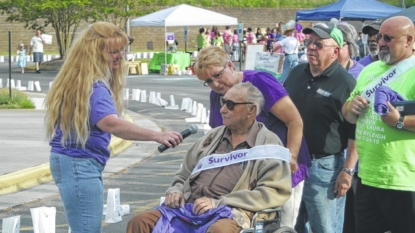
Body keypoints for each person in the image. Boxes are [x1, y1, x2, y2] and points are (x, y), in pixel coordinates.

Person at [44, 22, 183, 233]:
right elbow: (111, 123)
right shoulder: (95, 86)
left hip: (72, 161)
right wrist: (157, 135)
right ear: (95, 53)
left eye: (122, 50)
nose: (120, 55)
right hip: (79, 163)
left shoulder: (79, 80)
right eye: (113, 51)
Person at [126, 82, 292, 233]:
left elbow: (272, 192)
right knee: (139, 222)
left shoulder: (269, 145)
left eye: (230, 105)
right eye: (223, 102)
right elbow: (184, 174)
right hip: (188, 208)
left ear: (251, 110)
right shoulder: (211, 138)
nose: (222, 109)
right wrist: (176, 191)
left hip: (229, 212)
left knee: (219, 231)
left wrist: (220, 202)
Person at [194, 46, 311, 228]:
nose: (215, 84)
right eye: (208, 81)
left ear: (231, 66)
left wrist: (291, 156)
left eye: (217, 75)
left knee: (282, 224)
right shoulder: (217, 96)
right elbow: (218, 135)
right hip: (245, 173)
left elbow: (294, 120)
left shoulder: (259, 81)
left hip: (279, 166)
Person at [342, 16, 415, 233]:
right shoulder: (370, 70)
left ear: (409, 40)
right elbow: (346, 115)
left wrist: (399, 121)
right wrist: (350, 108)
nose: (380, 42)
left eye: (388, 38)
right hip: (367, 175)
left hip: (403, 179)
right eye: (378, 37)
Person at [283, 22, 357, 233]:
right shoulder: (298, 72)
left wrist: (347, 171)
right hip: (292, 162)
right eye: (309, 42)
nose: (311, 47)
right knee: (292, 224)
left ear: (335, 51)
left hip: (323, 167)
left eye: (319, 44)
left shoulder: (345, 83)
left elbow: (355, 131)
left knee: (324, 227)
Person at [336, 22, 364, 233]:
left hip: (355, 160)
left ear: (349, 46)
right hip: (324, 157)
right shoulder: (313, 73)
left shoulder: (362, 75)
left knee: (351, 217)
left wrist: (349, 167)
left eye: (339, 43)